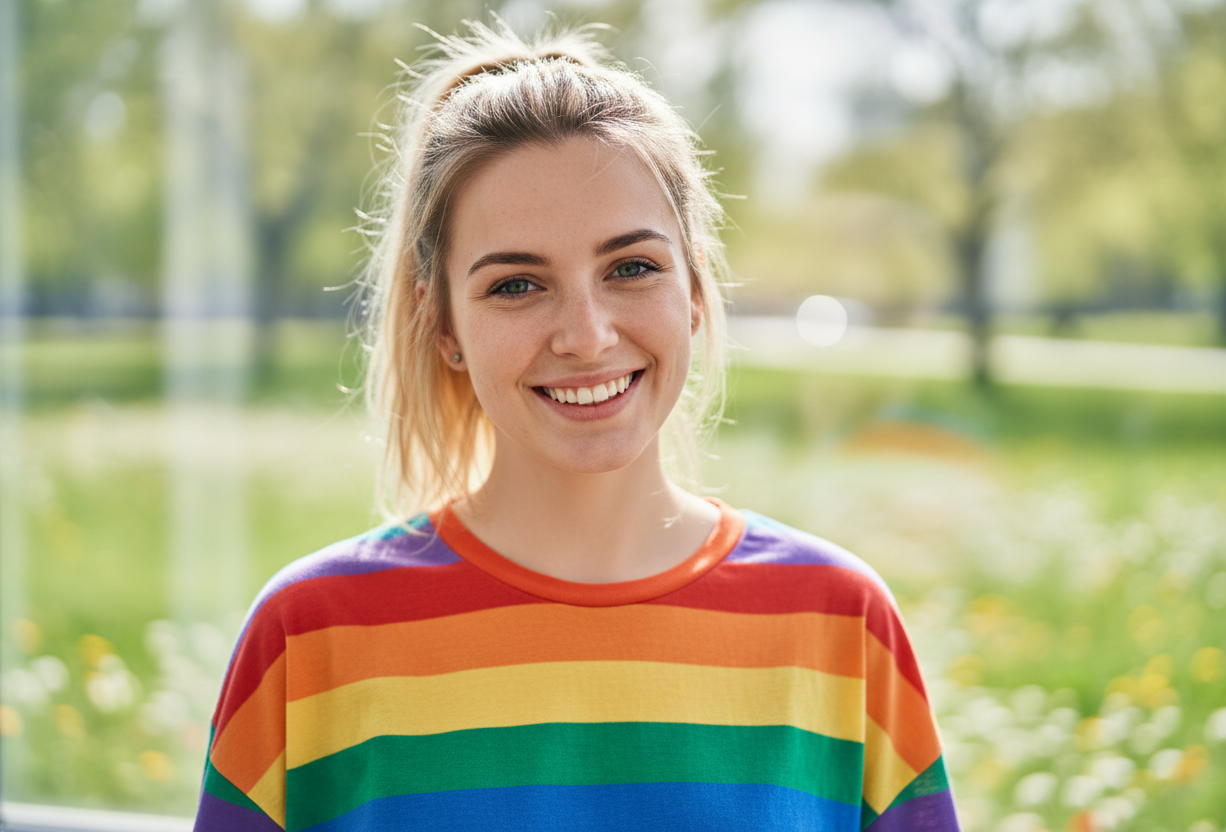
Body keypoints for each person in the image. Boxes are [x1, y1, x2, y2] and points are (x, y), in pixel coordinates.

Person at [193, 20, 961, 832]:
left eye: (631, 268)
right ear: (443, 323)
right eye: (517, 286)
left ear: (695, 288)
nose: (587, 336)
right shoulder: (308, 641)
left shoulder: (840, 625)